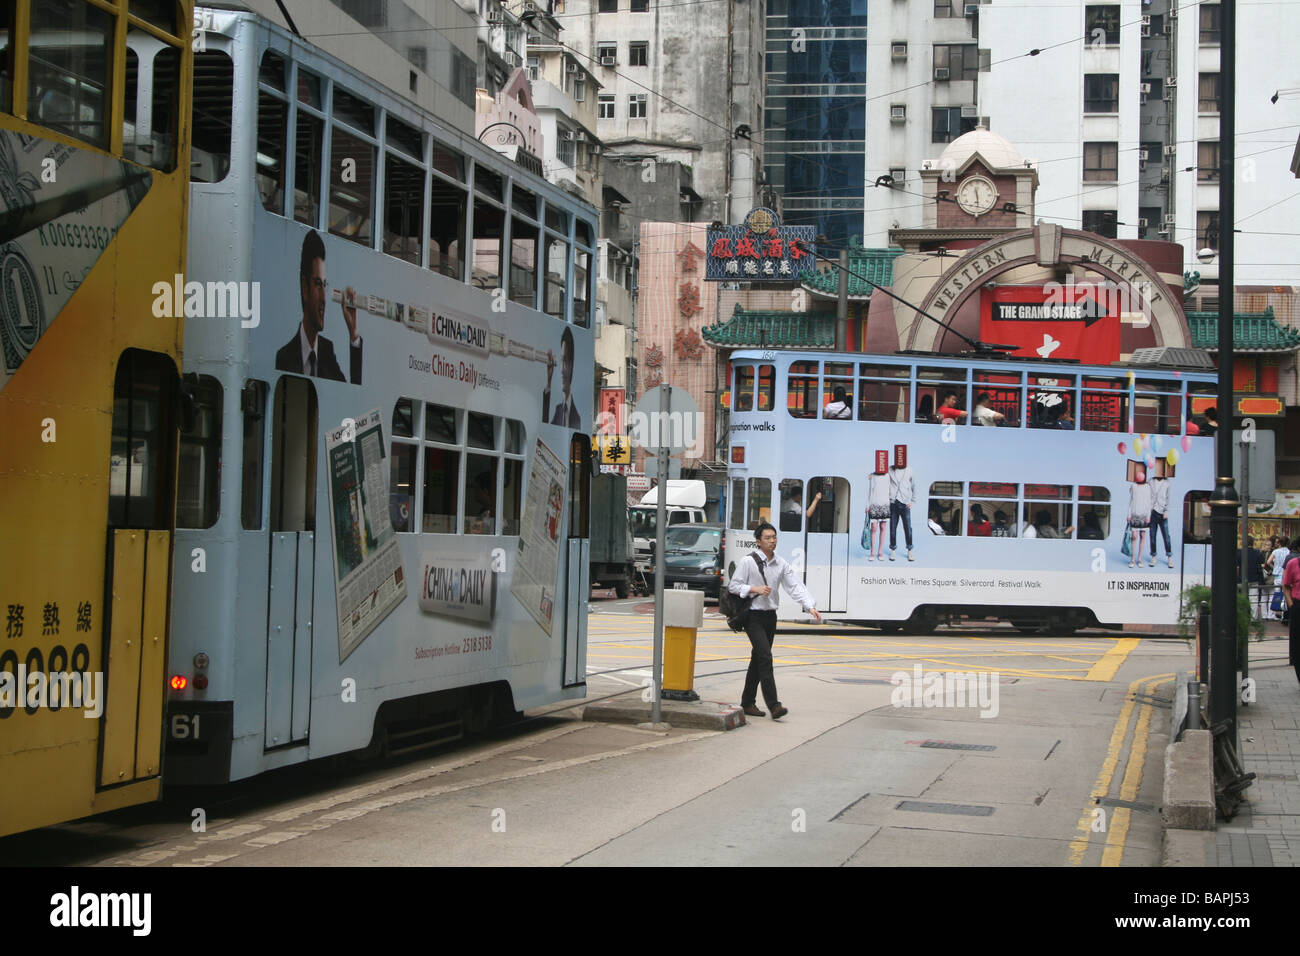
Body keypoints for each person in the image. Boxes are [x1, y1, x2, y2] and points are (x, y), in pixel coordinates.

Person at [726, 521, 822, 719]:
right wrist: (754, 589)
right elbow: (733, 586)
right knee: (765, 658)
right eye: (767, 538)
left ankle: (747, 702)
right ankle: (774, 705)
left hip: (770, 617)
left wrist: (810, 605)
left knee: (758, 659)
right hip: (752, 616)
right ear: (758, 542)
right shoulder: (748, 562)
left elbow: (794, 586)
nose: (772, 541)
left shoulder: (780, 563)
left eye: (774, 537)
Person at [276, 229, 363, 382]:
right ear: (304, 288)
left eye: (324, 285)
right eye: (317, 284)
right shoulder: (284, 357)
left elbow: (352, 395)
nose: (324, 298)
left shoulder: (327, 352)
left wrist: (353, 333)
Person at [543, 327, 581, 429]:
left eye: (566, 361)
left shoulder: (578, 419)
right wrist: (549, 382)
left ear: (572, 365)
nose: (562, 369)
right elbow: (545, 429)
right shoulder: (559, 409)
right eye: (561, 360)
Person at [888, 455, 915, 561]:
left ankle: (910, 551)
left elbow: (914, 486)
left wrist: (912, 501)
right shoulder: (890, 469)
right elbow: (881, 474)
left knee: (908, 528)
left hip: (905, 504)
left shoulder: (909, 470)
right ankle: (893, 550)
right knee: (892, 528)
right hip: (893, 503)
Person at [1282, 536, 1300, 684]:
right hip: (1298, 606)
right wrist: (1291, 604)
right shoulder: (1293, 564)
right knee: (1297, 642)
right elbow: (1286, 585)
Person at [866, 462, 890, 560]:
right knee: (874, 528)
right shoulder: (873, 476)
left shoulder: (888, 475)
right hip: (874, 503)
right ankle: (872, 552)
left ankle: (880, 552)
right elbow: (869, 491)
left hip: (885, 503)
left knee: (883, 527)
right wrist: (867, 505)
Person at [1149, 471, 1173, 567]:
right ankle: (1153, 557)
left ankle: (1169, 558)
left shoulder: (1167, 482)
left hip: (1162, 512)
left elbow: (1168, 498)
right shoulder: (1150, 481)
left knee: (1166, 536)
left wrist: (1166, 511)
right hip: (1152, 512)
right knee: (1152, 536)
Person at [1128, 470, 1152, 566]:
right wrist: (1128, 514)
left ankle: (1140, 559)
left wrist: (1148, 516)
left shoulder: (1147, 487)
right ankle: (1132, 559)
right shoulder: (1133, 486)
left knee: (1143, 536)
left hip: (1144, 515)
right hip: (1134, 514)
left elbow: (1149, 502)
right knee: (1134, 537)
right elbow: (1130, 501)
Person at [1268, 536, 1291, 621]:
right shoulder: (1289, 552)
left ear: (1279, 543)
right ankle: (1283, 615)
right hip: (1285, 575)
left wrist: (1274, 567)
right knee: (1285, 595)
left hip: (1277, 575)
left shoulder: (1275, 551)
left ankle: (1274, 613)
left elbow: (1268, 562)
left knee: (1276, 594)